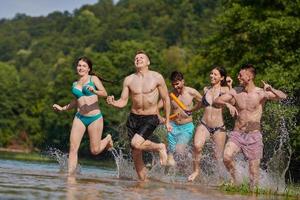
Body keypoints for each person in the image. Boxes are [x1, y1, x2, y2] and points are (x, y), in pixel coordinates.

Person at [213, 64, 287, 188]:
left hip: (254, 136)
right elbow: (216, 101)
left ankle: (252, 194)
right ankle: (236, 180)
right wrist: (228, 105)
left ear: (250, 76)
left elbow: (283, 96)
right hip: (237, 134)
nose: (238, 77)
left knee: (253, 173)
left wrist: (271, 89)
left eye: (240, 75)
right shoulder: (235, 91)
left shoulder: (260, 93)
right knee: (226, 157)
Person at [106, 50, 172, 181]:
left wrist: (168, 121)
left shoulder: (157, 77)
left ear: (148, 62)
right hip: (133, 118)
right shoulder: (129, 80)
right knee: (136, 152)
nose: (138, 59)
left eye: (141, 57)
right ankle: (143, 183)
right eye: (136, 58)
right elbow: (123, 101)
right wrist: (113, 103)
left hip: (150, 117)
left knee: (136, 143)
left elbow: (166, 100)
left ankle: (160, 147)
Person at [53, 56, 113, 175]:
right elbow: (76, 101)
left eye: (84, 66)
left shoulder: (93, 79)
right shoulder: (75, 83)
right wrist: (62, 108)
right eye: (79, 65)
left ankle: (107, 139)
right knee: (73, 148)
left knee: (95, 150)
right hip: (80, 117)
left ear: (89, 69)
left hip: (94, 118)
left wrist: (94, 91)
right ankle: (71, 176)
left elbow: (105, 93)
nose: (80, 68)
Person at [188, 66, 233, 182]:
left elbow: (233, 101)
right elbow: (202, 104)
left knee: (218, 157)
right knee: (197, 146)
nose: (212, 76)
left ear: (221, 77)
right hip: (204, 124)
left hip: (219, 127)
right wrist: (191, 110)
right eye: (211, 73)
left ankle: (224, 179)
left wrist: (230, 86)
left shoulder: (226, 90)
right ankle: (196, 171)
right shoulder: (206, 89)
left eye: (215, 74)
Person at [159, 71, 202, 166]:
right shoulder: (170, 95)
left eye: (177, 84)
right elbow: (157, 107)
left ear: (183, 81)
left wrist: (192, 109)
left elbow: (203, 102)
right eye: (173, 84)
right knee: (170, 159)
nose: (175, 86)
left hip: (187, 127)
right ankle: (167, 179)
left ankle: (191, 159)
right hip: (172, 126)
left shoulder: (192, 92)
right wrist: (161, 118)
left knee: (179, 151)